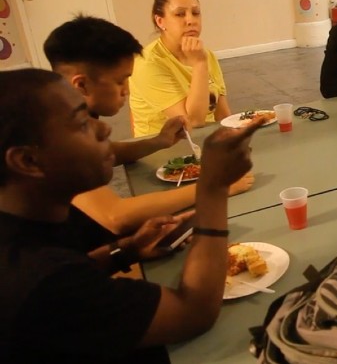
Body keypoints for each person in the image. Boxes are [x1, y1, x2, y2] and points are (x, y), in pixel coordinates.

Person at [0, 68, 264, 363]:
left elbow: (71, 268)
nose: (104, 130)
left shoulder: (23, 223)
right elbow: (195, 313)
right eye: (81, 124)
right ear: (27, 160)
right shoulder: (40, 281)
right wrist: (213, 187)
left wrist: (124, 251)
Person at [45, 15, 254, 235]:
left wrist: (158, 142)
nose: (127, 89)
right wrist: (215, 187)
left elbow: (104, 152)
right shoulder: (56, 132)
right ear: (81, 84)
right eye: (120, 81)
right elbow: (116, 216)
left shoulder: (71, 108)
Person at [130, 0, 232, 137]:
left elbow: (223, 115)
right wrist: (199, 65)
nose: (191, 20)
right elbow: (192, 122)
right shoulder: (148, 63)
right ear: (160, 21)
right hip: (166, 148)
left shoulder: (206, 55)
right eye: (180, 14)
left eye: (196, 13)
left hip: (206, 139)